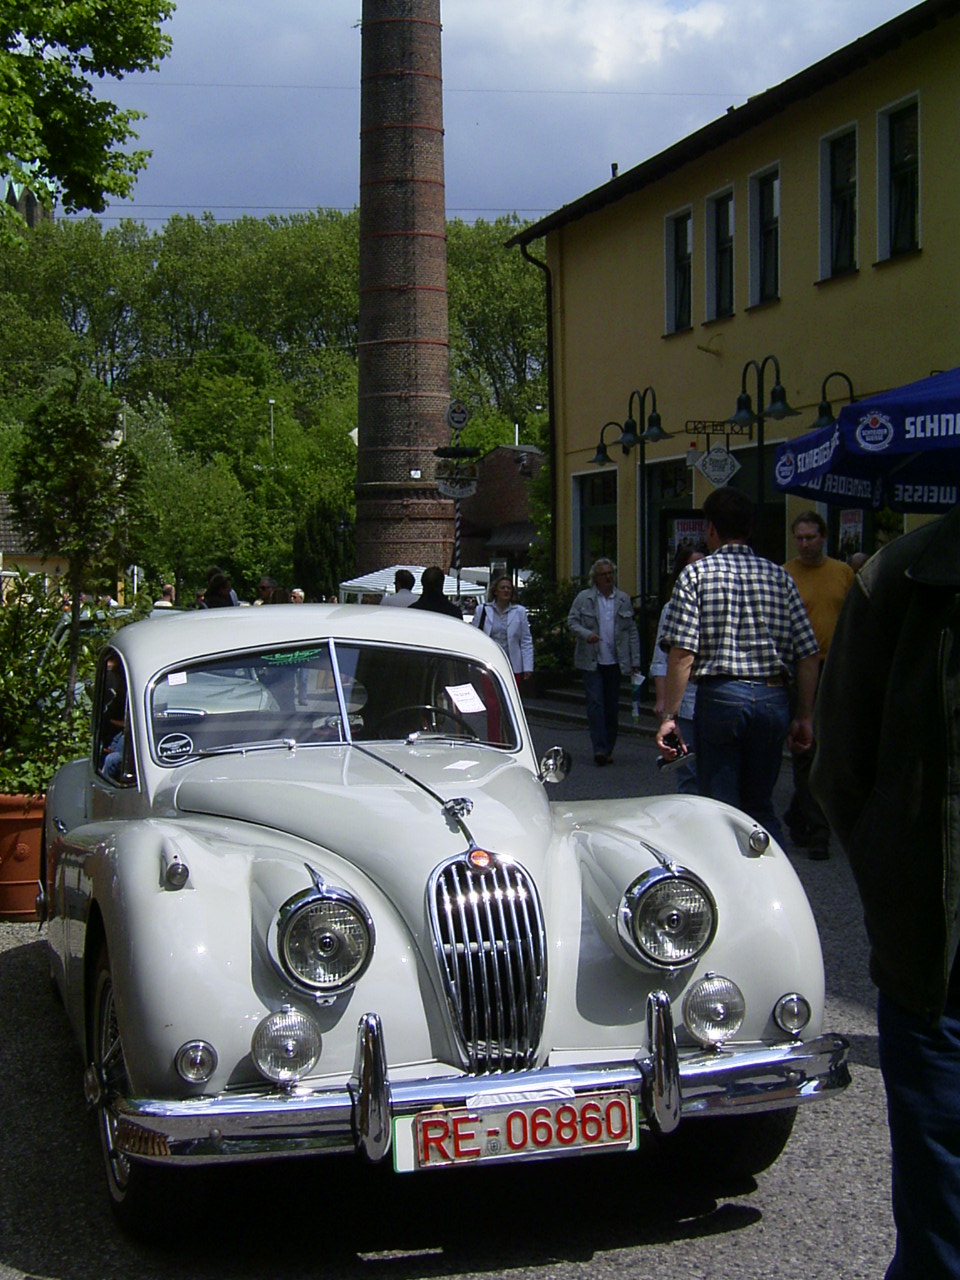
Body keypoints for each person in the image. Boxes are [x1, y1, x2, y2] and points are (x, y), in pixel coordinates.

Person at [811, 501, 960, 1280]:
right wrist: (896, 889)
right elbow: (842, 766)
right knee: (944, 1221)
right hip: (936, 963)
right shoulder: (904, 578)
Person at [655, 486, 820, 843]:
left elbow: (683, 652)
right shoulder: (781, 577)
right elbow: (808, 653)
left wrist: (670, 715)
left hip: (722, 698)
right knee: (760, 806)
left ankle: (729, 889)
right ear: (749, 529)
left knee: (721, 807)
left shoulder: (696, 576)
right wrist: (804, 715)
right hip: (773, 698)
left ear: (710, 528)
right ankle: (775, 884)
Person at [781, 510, 854, 859]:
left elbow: (856, 619)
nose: (805, 544)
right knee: (805, 748)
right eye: (800, 537)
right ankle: (818, 830)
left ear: (823, 537)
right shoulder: (785, 575)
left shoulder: (843, 573)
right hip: (799, 670)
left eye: (811, 537)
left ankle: (799, 813)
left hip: (836, 668)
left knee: (832, 749)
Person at [567, 557, 640, 766]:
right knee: (595, 703)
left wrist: (635, 660)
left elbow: (631, 632)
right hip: (592, 661)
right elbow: (572, 621)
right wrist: (586, 633)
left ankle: (608, 748)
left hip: (616, 661)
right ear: (595, 578)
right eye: (604, 574)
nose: (608, 578)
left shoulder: (623, 599)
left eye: (611, 574)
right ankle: (599, 748)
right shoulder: (585, 598)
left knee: (611, 706)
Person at [649, 545, 705, 794]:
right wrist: (663, 701)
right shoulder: (672, 608)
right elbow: (662, 658)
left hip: (715, 702)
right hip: (686, 702)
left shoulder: (718, 602)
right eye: (691, 567)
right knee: (688, 773)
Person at [472, 575, 534, 686]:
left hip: (513, 664)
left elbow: (526, 640)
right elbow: (475, 637)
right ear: (495, 591)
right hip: (489, 661)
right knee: (491, 695)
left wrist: (528, 666)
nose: (506, 590)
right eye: (503, 588)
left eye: (508, 588)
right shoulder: (483, 610)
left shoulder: (519, 611)